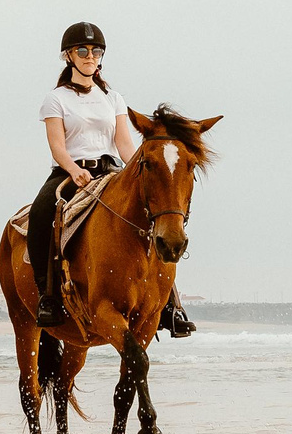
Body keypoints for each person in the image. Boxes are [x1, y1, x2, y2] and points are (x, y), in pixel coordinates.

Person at [29, 21, 194, 337]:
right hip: (69, 171)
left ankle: (170, 306)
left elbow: (123, 143)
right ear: (69, 55)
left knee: (155, 219)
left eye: (96, 51)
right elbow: (56, 145)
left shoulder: (113, 98)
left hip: (110, 171)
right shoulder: (56, 99)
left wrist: (140, 171)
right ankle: (47, 296)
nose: (89, 56)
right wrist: (74, 170)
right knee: (40, 213)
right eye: (82, 50)